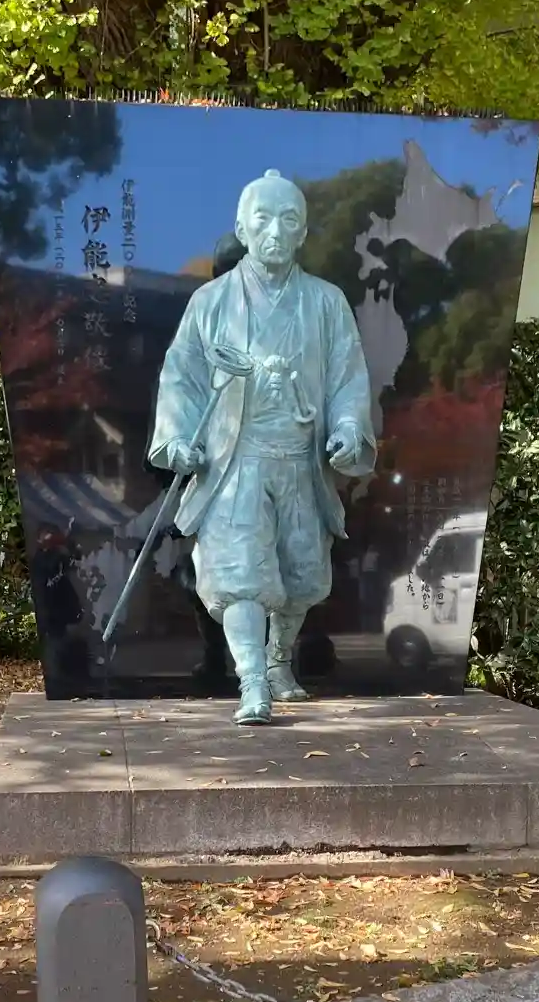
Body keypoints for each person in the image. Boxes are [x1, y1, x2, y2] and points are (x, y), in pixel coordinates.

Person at [148, 170, 377, 724]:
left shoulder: (325, 303)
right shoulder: (211, 302)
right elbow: (181, 376)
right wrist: (177, 438)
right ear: (241, 228)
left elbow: (347, 376)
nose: (275, 231)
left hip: (300, 461)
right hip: (235, 463)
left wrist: (348, 428)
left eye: (289, 220)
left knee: (301, 574)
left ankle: (278, 662)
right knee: (240, 573)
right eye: (263, 219)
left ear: (303, 233)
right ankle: (252, 681)